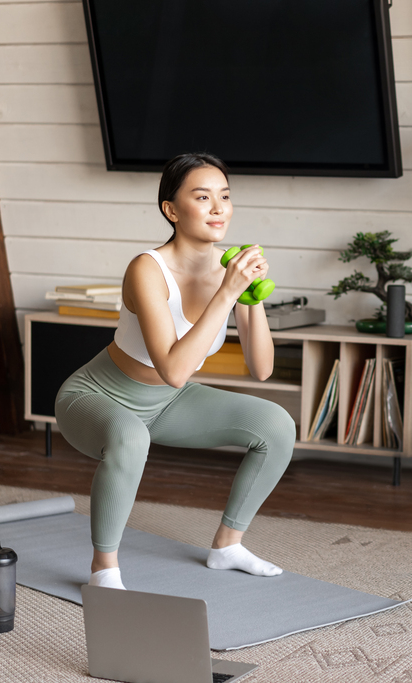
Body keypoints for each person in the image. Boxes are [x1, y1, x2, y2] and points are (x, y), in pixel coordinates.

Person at [55, 152, 296, 590]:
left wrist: (252, 296)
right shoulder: (147, 268)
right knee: (131, 437)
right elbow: (173, 369)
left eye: (225, 196)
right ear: (171, 209)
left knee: (276, 424)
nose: (218, 208)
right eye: (202, 197)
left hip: (168, 404)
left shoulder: (230, 270)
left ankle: (227, 546)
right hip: (96, 397)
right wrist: (227, 293)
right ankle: (103, 569)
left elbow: (261, 369)